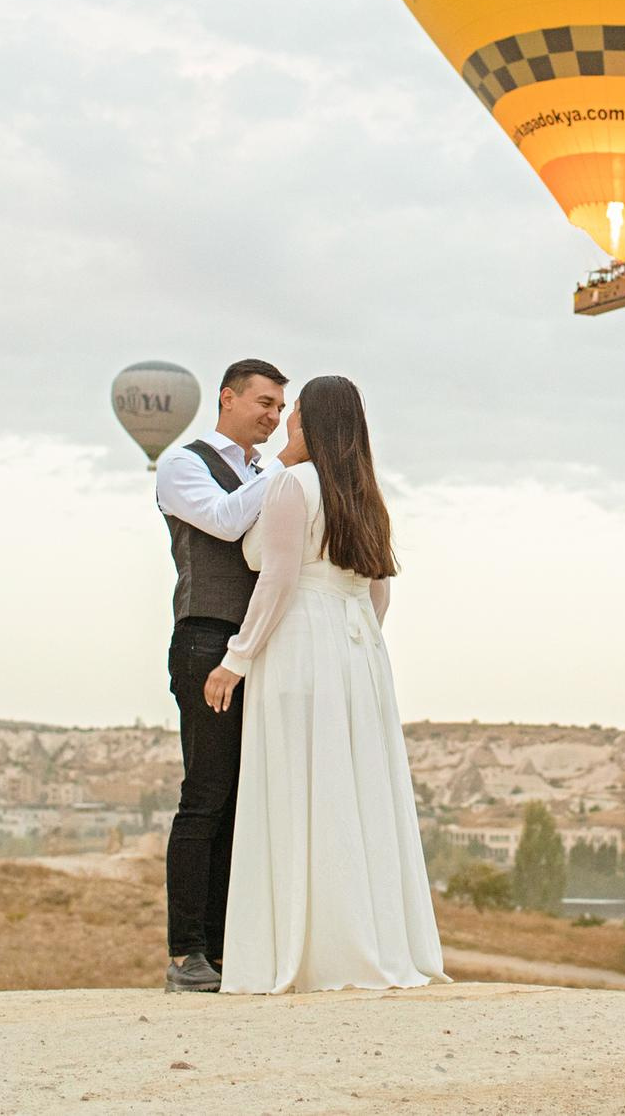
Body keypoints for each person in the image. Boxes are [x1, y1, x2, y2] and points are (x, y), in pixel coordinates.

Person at [203, 375, 444, 993]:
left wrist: (238, 656)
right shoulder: (364, 492)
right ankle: (368, 940)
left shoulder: (292, 484)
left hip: (300, 646)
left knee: (298, 784)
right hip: (358, 650)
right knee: (352, 789)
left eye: (295, 413)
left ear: (311, 423)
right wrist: (356, 642)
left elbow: (278, 580)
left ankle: (305, 949)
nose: (286, 422)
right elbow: (378, 588)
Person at [155, 357, 287, 994]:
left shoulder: (262, 474)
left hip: (255, 645)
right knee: (205, 795)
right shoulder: (182, 465)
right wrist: (290, 466)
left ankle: (228, 947)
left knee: (242, 801)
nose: (274, 417)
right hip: (206, 639)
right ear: (228, 399)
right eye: (265, 403)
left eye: (282, 409)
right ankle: (187, 953)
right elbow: (230, 523)